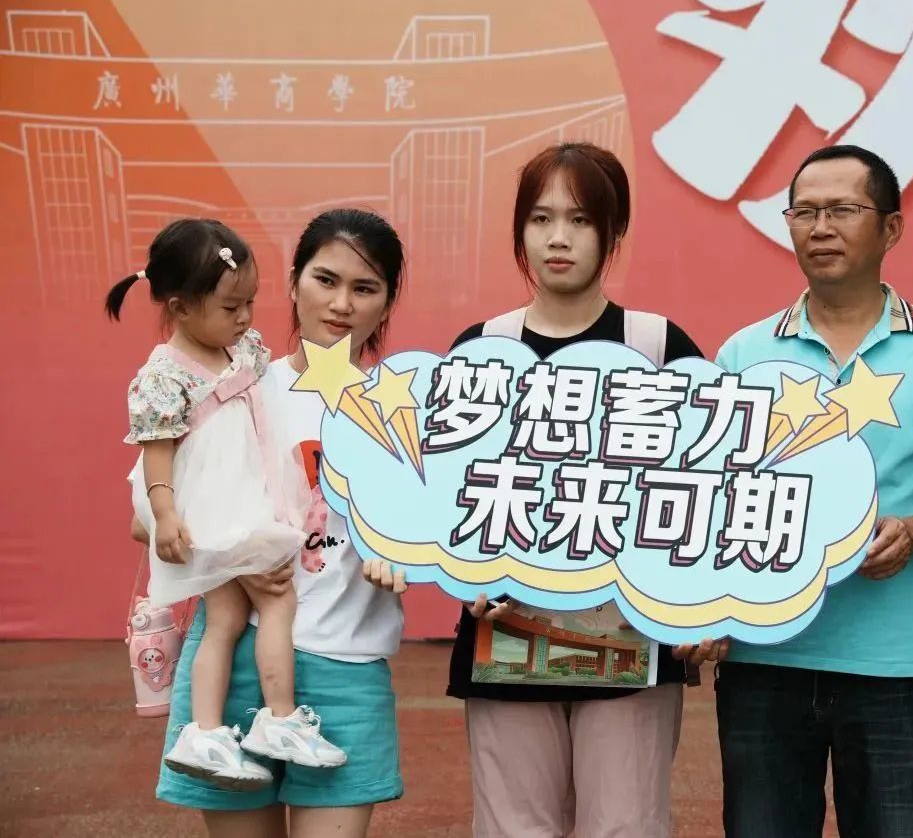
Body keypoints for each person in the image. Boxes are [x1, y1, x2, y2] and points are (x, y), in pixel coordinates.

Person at [369, 141, 700, 837]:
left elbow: (704, 492)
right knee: (513, 828)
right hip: (508, 638)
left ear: (613, 231)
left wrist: (697, 603)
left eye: (580, 220)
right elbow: (446, 488)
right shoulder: (482, 346)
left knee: (626, 826)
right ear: (519, 230)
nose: (558, 238)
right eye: (541, 219)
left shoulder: (660, 346)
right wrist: (463, 575)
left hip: (629, 645)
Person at [709, 145, 913, 837]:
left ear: (891, 228)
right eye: (804, 212)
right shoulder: (743, 353)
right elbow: (712, 500)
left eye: (842, 210)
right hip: (764, 659)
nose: (821, 228)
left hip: (894, 665)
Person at [151, 209, 409, 838]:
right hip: (234, 661)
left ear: (386, 302)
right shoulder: (236, 385)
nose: (342, 304)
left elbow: (426, 528)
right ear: (293, 283)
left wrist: (402, 553)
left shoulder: (404, 406)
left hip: (346, 667)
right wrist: (239, 560)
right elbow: (152, 516)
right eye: (326, 280)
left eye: (365, 288)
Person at [108, 219, 341, 790]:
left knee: (228, 618)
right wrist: (165, 516)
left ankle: (205, 732)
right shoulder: (164, 375)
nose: (245, 317)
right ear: (181, 308)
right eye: (231, 306)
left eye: (250, 303)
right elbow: (157, 456)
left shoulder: (242, 349)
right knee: (278, 599)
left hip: (243, 495)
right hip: (214, 508)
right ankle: (278, 720)